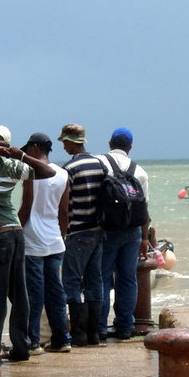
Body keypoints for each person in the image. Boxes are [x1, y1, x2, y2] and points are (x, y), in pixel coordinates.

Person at [0, 126, 56, 364]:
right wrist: (16, 156)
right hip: (15, 234)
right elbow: (47, 172)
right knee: (19, 295)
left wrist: (12, 153)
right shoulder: (14, 168)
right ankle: (21, 348)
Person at [17, 133, 71, 354]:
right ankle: (62, 339)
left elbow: (27, 206)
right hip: (55, 240)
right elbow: (64, 211)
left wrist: (17, 231)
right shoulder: (63, 174)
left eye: (28, 148)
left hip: (33, 240)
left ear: (36, 148)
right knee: (56, 293)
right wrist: (62, 234)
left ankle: (33, 341)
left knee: (34, 294)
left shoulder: (31, 172)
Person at [97, 128, 150, 341]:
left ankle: (100, 327)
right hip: (133, 232)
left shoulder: (101, 163)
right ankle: (125, 327)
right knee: (128, 279)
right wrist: (145, 239)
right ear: (130, 147)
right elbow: (145, 210)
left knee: (102, 278)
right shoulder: (140, 172)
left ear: (110, 143)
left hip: (107, 230)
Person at [59, 124, 106, 347]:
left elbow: (65, 206)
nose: (64, 146)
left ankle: (78, 335)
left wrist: (62, 232)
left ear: (71, 141)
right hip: (99, 231)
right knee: (94, 281)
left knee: (71, 281)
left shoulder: (69, 169)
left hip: (77, 232)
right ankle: (94, 334)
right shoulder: (99, 164)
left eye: (65, 142)